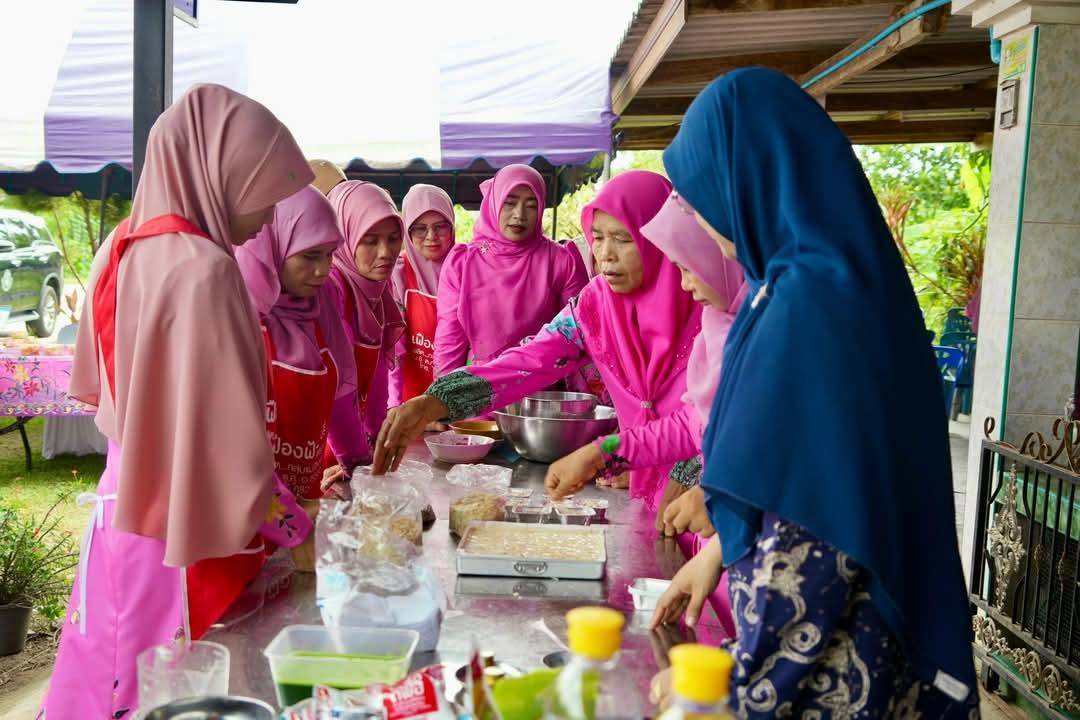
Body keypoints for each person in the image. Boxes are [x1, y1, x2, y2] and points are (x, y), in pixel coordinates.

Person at [649, 68, 977, 716]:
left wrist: (733, 687)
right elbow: (813, 478)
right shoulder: (829, 283)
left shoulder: (808, 310)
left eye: (701, 187)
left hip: (845, 655)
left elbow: (814, 536)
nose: (699, 213)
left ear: (746, 174)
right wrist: (718, 553)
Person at [41, 84, 315, 718]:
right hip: (180, 528)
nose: (270, 215)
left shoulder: (120, 245)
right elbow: (227, 452)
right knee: (169, 689)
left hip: (118, 510)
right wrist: (296, 527)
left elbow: (105, 391)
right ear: (218, 173)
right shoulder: (205, 269)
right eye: (262, 190)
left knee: (102, 674)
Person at [373, 171, 701, 516]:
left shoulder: (705, 304)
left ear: (660, 238)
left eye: (622, 239)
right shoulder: (594, 307)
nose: (605, 254)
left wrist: (689, 471)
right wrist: (436, 400)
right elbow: (529, 361)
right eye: (598, 237)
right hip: (641, 485)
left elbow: (721, 412)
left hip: (709, 494)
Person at [544, 192, 747, 639]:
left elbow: (791, 449)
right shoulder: (720, 325)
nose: (684, 283)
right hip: (712, 537)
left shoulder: (763, 335)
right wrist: (601, 454)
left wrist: (722, 494)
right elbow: (692, 425)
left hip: (759, 543)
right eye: (598, 238)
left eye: (687, 266)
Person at [234, 185, 369, 501]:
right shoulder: (235, 309)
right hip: (245, 502)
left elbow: (341, 397)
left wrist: (359, 465)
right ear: (274, 244)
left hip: (305, 496)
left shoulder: (323, 304)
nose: (322, 270)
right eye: (310, 256)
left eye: (329, 254)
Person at [434, 164, 588, 377]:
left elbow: (579, 332)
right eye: (510, 203)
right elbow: (449, 341)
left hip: (543, 385)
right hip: (478, 386)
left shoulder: (562, 260)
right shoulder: (462, 263)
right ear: (494, 202)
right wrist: (443, 392)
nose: (520, 215)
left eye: (531, 205)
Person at [325, 181, 406, 451]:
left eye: (393, 239)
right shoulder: (330, 289)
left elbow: (377, 375)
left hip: (354, 441)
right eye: (370, 240)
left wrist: (378, 439)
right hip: (323, 443)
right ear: (343, 237)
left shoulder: (378, 289)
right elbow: (336, 387)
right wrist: (354, 456)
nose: (386, 253)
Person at [389, 184, 456, 407]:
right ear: (407, 231)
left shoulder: (467, 269)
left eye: (440, 227)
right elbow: (394, 349)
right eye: (419, 228)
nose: (431, 237)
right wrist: (393, 406)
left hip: (459, 402)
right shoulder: (397, 273)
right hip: (408, 402)